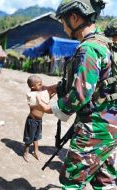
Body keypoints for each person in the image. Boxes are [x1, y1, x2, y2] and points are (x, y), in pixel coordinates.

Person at [36, 0, 117, 189]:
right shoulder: (105, 44)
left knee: (72, 180)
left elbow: (80, 95)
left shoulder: (88, 49)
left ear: (74, 17)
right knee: (105, 180)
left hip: (94, 127)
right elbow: (101, 81)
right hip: (111, 125)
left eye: (63, 22)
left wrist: (49, 108)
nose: (63, 28)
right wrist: (56, 87)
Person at [23, 75, 53, 162]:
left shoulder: (41, 94)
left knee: (36, 137)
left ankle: (36, 151)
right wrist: (41, 97)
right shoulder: (31, 95)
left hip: (39, 120)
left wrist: (51, 94)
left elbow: (46, 100)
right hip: (32, 120)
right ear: (32, 86)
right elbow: (36, 103)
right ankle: (26, 152)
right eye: (39, 84)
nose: (42, 86)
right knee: (29, 138)